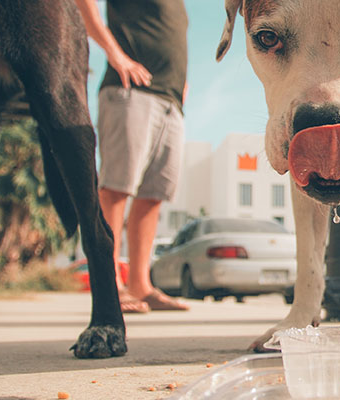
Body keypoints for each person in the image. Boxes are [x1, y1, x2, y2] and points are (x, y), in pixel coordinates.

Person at [75, 0, 189, 312]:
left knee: (154, 195)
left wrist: (181, 81)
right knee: (116, 188)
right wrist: (115, 55)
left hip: (170, 99)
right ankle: (108, 283)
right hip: (130, 90)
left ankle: (141, 284)